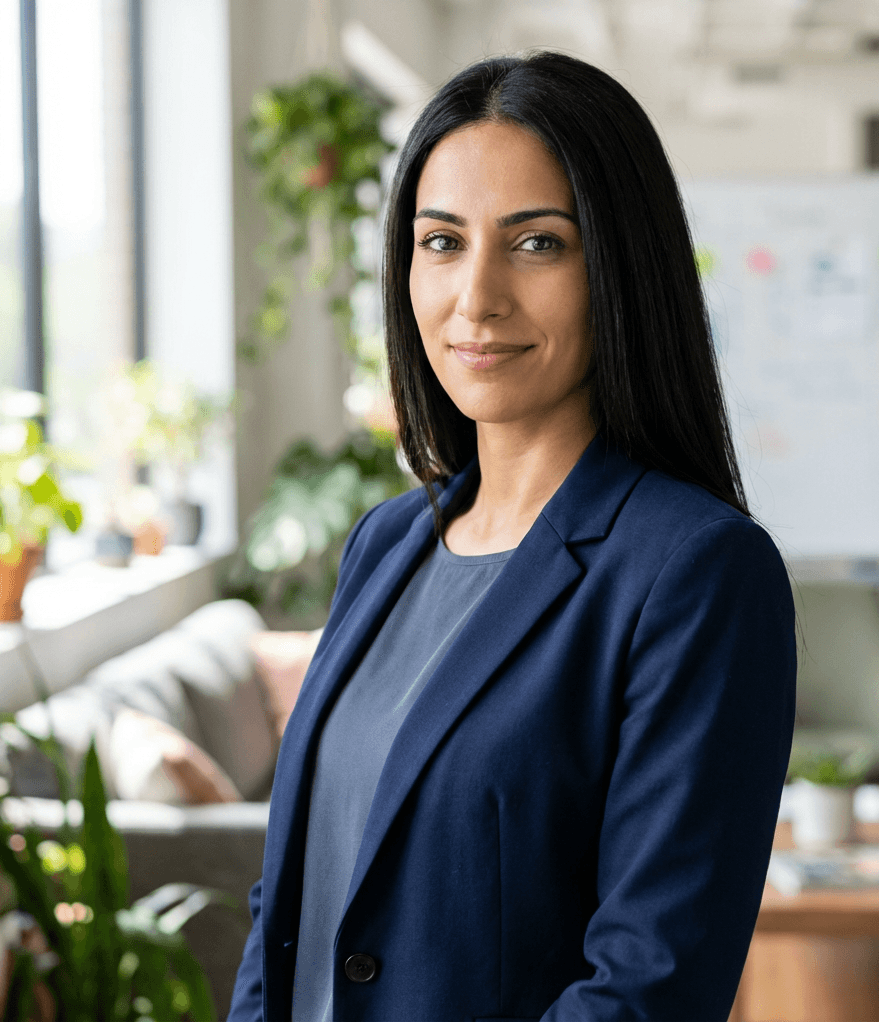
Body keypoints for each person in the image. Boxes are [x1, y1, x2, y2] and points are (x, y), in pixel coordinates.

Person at [229, 51, 796, 1022]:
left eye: (536, 244)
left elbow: (648, 984)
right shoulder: (386, 544)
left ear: (618, 266)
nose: (475, 296)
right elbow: (287, 902)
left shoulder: (693, 572)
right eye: (440, 242)